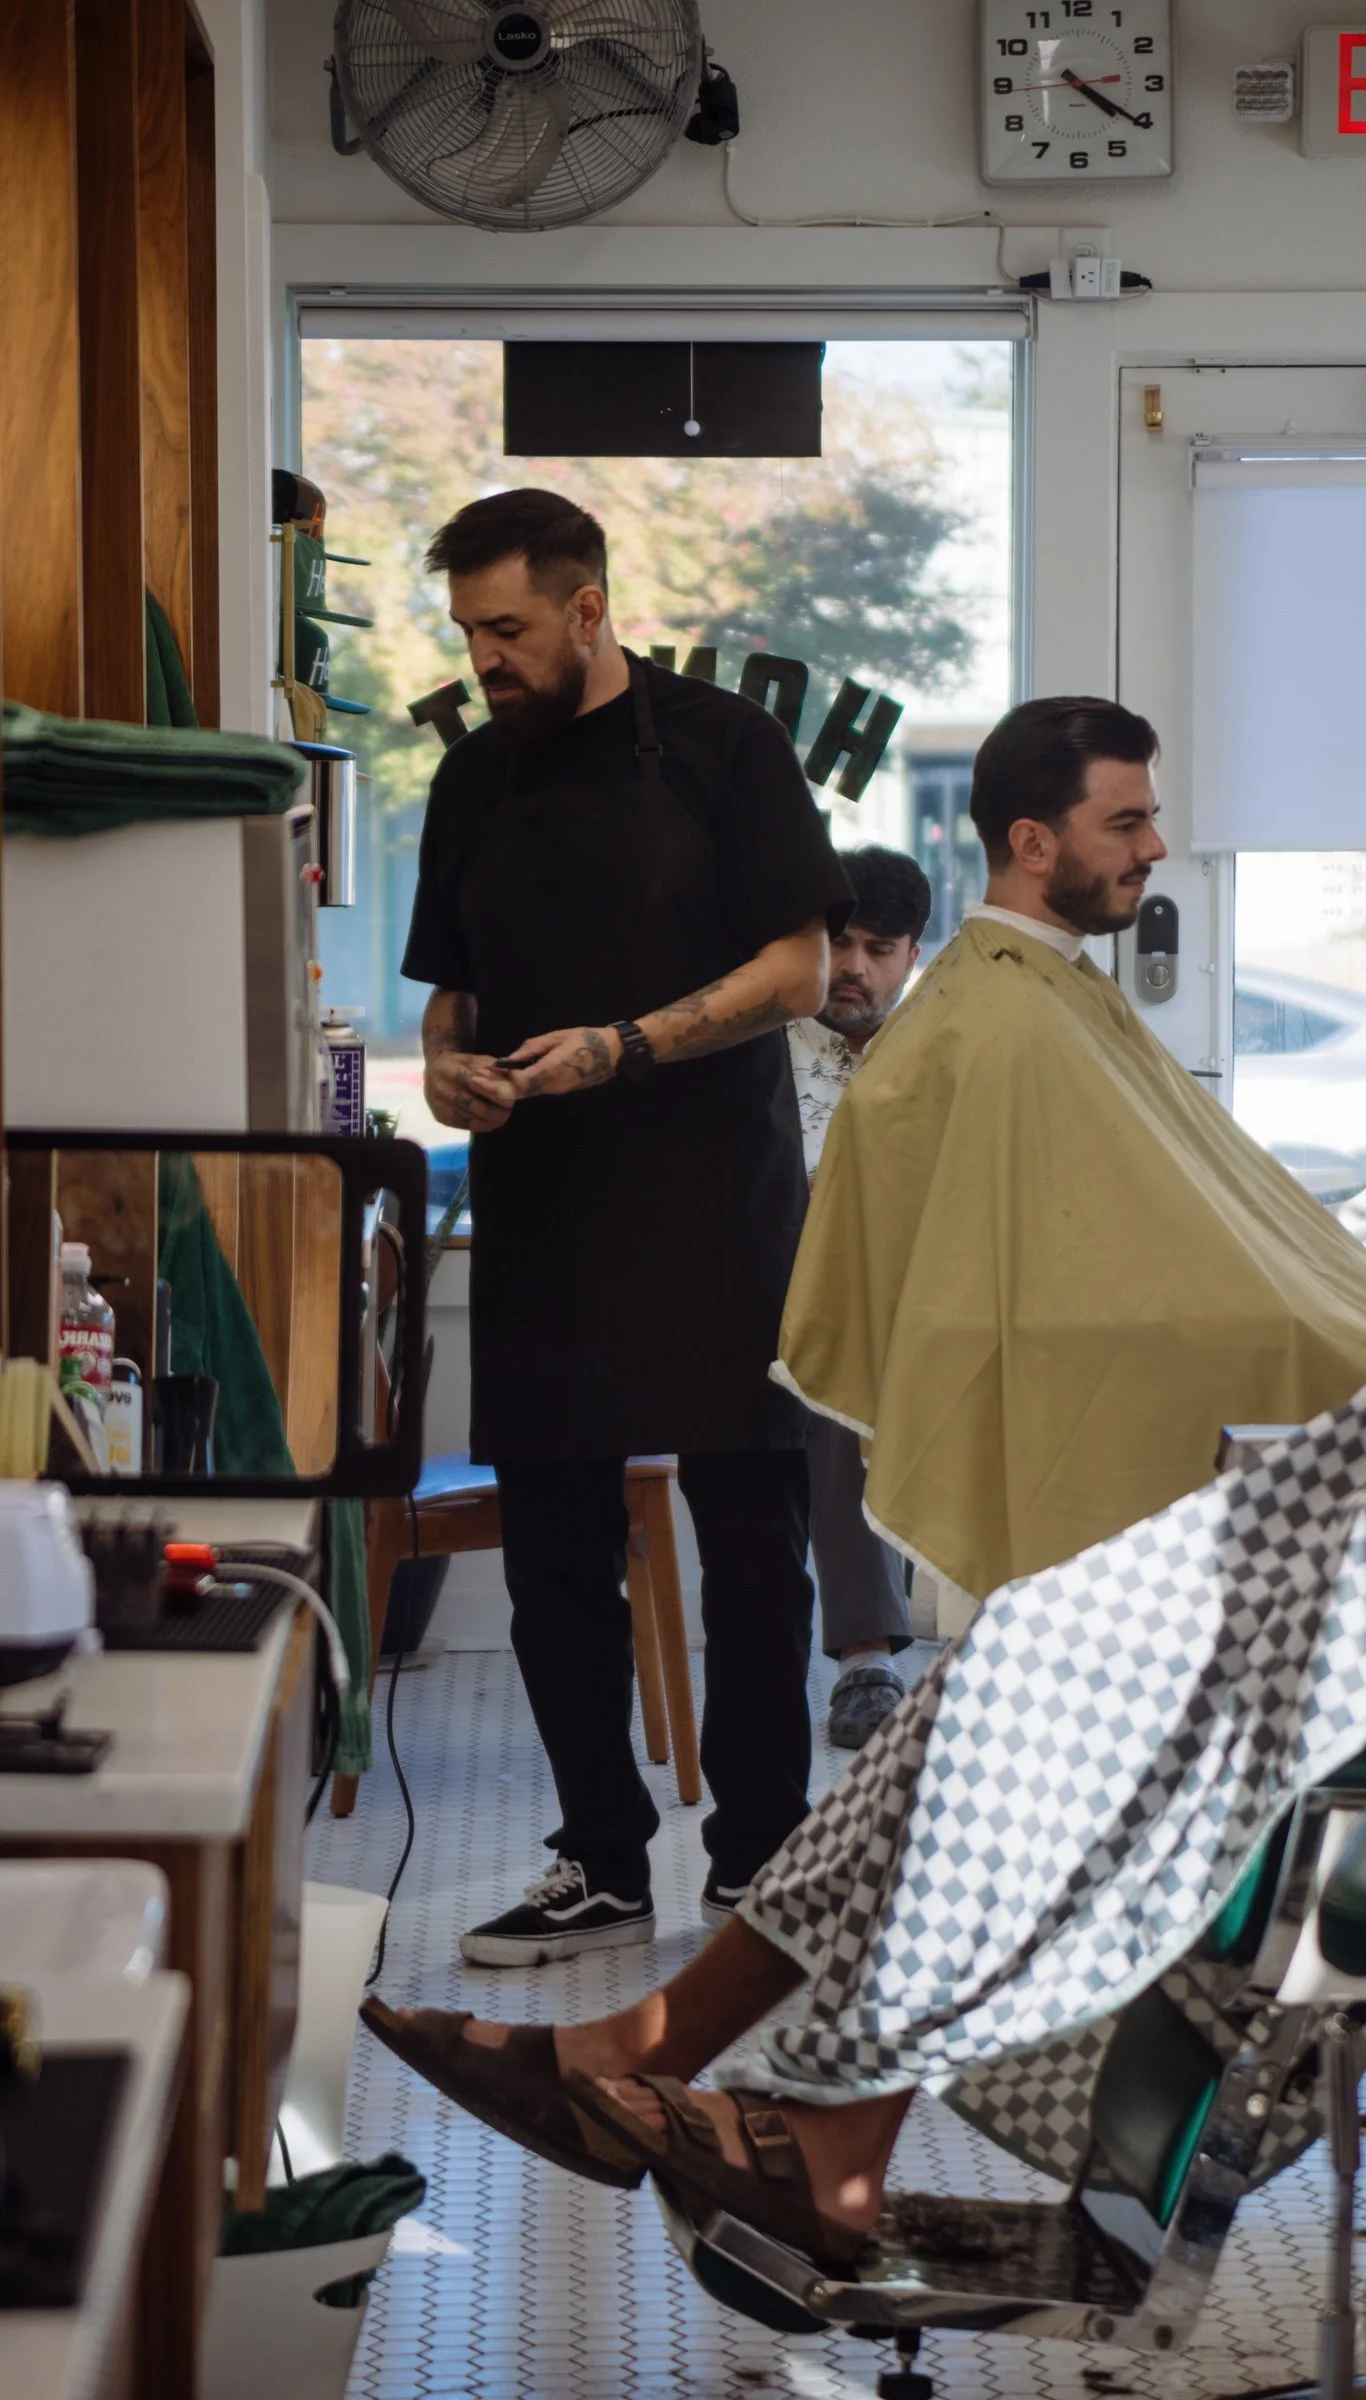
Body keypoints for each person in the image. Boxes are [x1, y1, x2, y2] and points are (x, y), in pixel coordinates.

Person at [366, 713, 1366, 2268]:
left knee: (1036, 1714)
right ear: (1032, 840)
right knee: (1011, 1690)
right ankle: (690, 2068)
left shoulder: (1027, 1005)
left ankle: (785, 2110)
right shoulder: (1005, 1012)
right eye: (1130, 817)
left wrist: (1313, 1460)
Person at [401, 487, 855, 1965]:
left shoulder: (729, 748)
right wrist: (445, 1064)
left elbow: (796, 969)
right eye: (471, 633)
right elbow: (449, 985)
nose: (487, 658)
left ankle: (759, 1863)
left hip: (716, 1200)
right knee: (550, 1553)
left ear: (590, 609)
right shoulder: (477, 777)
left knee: (749, 1535)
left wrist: (625, 1046)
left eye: (509, 628)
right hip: (541, 1202)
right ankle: (597, 1858)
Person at [774, 695, 1366, 1619]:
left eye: (1152, 819)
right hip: (1113, 1380)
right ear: (1035, 844)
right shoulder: (986, 1025)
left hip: (1212, 1337)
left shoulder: (1048, 991)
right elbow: (997, 1295)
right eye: (1125, 823)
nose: (1154, 850)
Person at [788, 845, 931, 1748]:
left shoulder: (938, 1058)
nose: (854, 968)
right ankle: (866, 1657)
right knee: (839, 1374)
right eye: (838, 943)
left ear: (914, 957)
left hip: (913, 1308)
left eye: (880, 948)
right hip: (768, 1307)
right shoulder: (757, 1050)